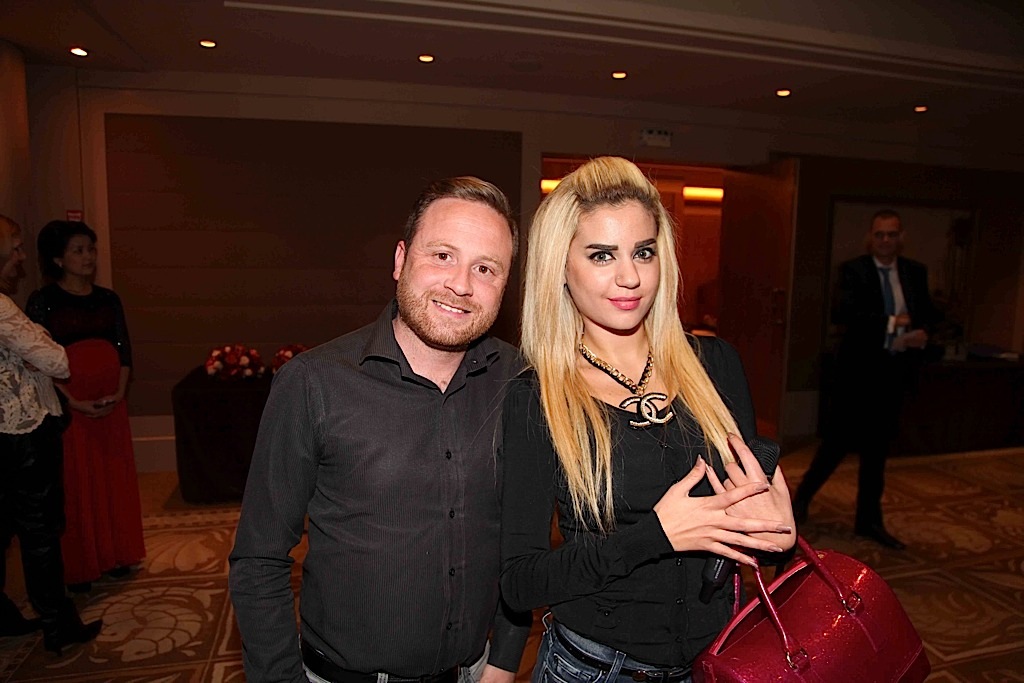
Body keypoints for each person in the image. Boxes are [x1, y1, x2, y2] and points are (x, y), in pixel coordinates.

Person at [499, 157, 795, 683]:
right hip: (595, 669)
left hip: (714, 662)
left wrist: (777, 539)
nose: (630, 277)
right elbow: (521, 583)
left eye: (643, 251)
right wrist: (655, 535)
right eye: (601, 255)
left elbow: (749, 537)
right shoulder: (537, 398)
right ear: (560, 268)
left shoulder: (715, 364)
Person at [230, 177, 529, 683]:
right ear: (400, 260)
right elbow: (259, 558)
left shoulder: (518, 381)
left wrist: (504, 659)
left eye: (485, 268)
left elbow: (522, 539)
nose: (461, 284)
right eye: (442, 256)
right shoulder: (313, 383)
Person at [792, 209, 938, 550]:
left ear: (901, 238)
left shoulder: (914, 272)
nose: (885, 240)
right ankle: (801, 499)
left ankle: (869, 520)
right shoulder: (854, 271)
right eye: (880, 234)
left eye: (891, 234)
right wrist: (892, 323)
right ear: (870, 238)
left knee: (877, 452)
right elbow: (846, 314)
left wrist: (921, 333)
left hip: (893, 374)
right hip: (857, 376)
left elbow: (928, 313)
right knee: (835, 446)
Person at [0, 214, 102, 654]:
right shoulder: (2, 308)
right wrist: (39, 340)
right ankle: (57, 624)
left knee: (5, 528)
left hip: (6, 432)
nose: (21, 257)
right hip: (23, 433)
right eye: (14, 248)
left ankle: (5, 615)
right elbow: (58, 361)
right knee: (39, 531)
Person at [26, 220, 145, 590]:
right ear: (58, 259)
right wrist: (74, 401)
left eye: (91, 249)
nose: (88, 256)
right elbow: (37, 360)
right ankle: (82, 563)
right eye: (78, 250)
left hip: (111, 404)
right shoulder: (43, 300)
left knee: (113, 477)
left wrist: (119, 393)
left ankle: (116, 553)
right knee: (77, 483)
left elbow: (124, 349)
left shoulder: (109, 298)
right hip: (69, 407)